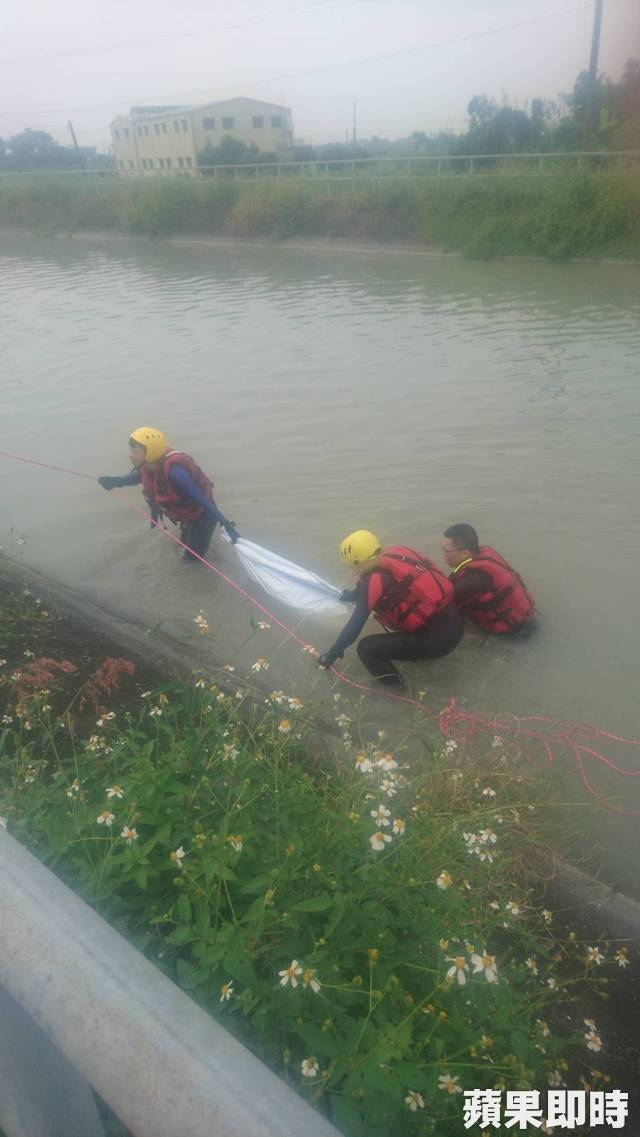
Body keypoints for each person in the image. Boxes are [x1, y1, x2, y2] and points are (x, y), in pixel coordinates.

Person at [318, 529, 464, 686]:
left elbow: (354, 626)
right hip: (456, 623)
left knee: (366, 648)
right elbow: (372, 589)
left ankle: (398, 689)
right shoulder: (396, 554)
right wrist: (351, 595)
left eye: (351, 566)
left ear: (356, 561)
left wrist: (333, 653)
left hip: (439, 642)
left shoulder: (372, 580)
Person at [98, 426, 240, 561]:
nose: (131, 455)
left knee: (191, 560)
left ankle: (211, 565)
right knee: (182, 546)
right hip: (188, 517)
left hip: (203, 516)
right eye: (131, 450)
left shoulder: (175, 473)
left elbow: (202, 499)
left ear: (150, 452)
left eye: (135, 451)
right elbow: (134, 478)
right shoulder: (148, 465)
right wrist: (113, 481)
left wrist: (226, 525)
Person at [441, 523, 535, 636]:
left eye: (446, 551)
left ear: (465, 553)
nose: (443, 555)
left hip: (514, 634)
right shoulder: (479, 555)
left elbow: (441, 607)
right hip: (526, 618)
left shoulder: (473, 581)